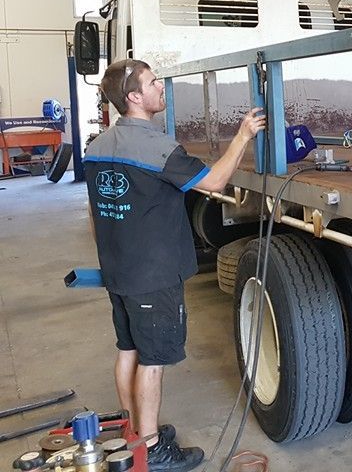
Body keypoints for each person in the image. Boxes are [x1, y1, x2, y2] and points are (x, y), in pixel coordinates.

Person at [84, 59, 266, 472]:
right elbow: (216, 182)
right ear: (133, 97)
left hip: (119, 270)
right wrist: (242, 136)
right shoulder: (158, 149)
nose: (160, 89)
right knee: (153, 358)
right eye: (153, 84)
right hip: (153, 274)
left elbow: (96, 214)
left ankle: (135, 433)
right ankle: (151, 450)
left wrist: (113, 256)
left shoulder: (96, 148)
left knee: (128, 348)